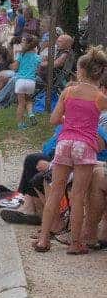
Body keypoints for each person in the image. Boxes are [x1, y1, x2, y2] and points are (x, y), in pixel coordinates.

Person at [33, 47, 107, 253]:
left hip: (65, 143)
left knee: (55, 191)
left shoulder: (68, 92)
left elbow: (54, 119)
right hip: (85, 146)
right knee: (78, 195)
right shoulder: (100, 98)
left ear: (81, 71)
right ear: (100, 73)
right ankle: (76, 243)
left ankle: (43, 239)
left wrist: (70, 121)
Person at [14, 36, 43, 129]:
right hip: (31, 82)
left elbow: (16, 68)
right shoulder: (37, 57)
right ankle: (30, 114)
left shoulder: (20, 55)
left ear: (26, 44)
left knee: (21, 104)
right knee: (28, 99)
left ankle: (20, 124)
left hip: (20, 81)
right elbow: (38, 69)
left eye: (23, 41)